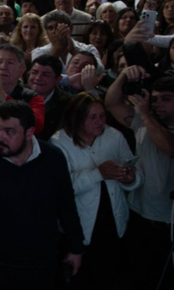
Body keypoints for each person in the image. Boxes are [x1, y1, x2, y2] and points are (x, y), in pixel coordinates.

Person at [0, 101, 84, 290]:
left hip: (39, 264)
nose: (0, 137)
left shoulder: (53, 158)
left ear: (30, 133)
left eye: (9, 131)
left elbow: (66, 205)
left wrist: (76, 248)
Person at [51, 93, 141, 290]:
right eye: (92, 117)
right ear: (77, 117)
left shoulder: (114, 136)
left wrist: (130, 177)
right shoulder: (59, 143)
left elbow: (135, 170)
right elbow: (61, 189)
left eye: (102, 116)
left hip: (113, 220)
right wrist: (98, 173)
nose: (99, 122)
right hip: (79, 225)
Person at [105, 68, 174, 289]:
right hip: (137, 214)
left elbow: (170, 148)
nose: (158, 104)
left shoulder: (146, 119)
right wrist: (125, 74)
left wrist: (145, 114)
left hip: (167, 224)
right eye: (154, 99)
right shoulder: (143, 120)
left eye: (166, 99)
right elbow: (112, 102)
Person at [0, 43, 45, 150]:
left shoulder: (33, 98)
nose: (3, 67)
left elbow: (36, 126)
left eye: (10, 63)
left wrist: (1, 97)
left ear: (22, 69)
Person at [32, 10, 104, 72]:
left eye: (58, 26)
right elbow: (38, 71)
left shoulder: (88, 49)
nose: (54, 31)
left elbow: (100, 70)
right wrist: (57, 49)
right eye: (50, 28)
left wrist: (74, 51)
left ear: (70, 28)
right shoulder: (39, 52)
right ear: (46, 32)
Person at [28, 55, 71, 141]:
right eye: (34, 72)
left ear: (58, 80)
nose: (38, 78)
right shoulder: (17, 94)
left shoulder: (69, 104)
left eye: (46, 75)